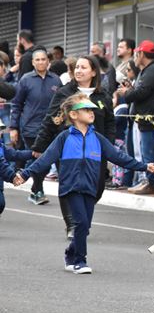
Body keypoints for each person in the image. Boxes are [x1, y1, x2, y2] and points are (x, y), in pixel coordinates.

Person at [15, 93, 154, 273]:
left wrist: (145, 166)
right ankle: (80, 261)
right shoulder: (64, 137)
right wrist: (26, 173)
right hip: (71, 187)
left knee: (85, 226)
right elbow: (45, 159)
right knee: (81, 223)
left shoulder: (98, 138)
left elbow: (119, 157)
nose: (91, 112)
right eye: (86, 109)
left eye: (92, 109)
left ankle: (70, 252)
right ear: (74, 115)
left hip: (90, 186)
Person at [32, 55, 115, 238]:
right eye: (77, 67)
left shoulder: (103, 97)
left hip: (95, 150)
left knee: (97, 187)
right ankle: (72, 224)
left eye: (83, 67)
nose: (78, 70)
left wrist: (109, 148)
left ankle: (82, 217)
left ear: (93, 72)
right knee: (69, 185)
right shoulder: (64, 93)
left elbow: (110, 124)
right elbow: (51, 119)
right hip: (69, 149)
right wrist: (40, 145)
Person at [115, 40, 154, 195]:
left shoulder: (153, 70)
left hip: (152, 121)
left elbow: (140, 93)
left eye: (136, 54)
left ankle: (153, 183)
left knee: (150, 153)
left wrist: (126, 93)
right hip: (145, 120)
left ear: (141, 54)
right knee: (146, 153)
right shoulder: (148, 70)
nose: (135, 58)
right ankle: (149, 181)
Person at [9, 49, 62, 205]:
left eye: (43, 59)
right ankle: (38, 191)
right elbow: (17, 104)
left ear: (48, 61)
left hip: (51, 128)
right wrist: (13, 127)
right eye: (37, 60)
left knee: (48, 160)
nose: (40, 62)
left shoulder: (56, 80)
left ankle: (35, 188)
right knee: (39, 157)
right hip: (30, 127)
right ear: (32, 62)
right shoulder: (25, 80)